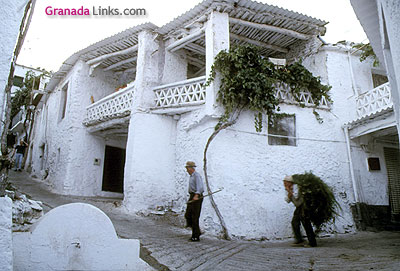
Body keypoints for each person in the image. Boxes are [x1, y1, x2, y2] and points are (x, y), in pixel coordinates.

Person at [283, 175, 317, 247]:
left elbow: (296, 196)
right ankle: (299, 240)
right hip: (298, 207)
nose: (284, 184)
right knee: (295, 222)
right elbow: (287, 200)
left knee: (306, 223)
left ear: (290, 182)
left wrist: (290, 191)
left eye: (286, 183)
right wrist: (289, 191)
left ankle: (312, 242)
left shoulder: (296, 187)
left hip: (304, 206)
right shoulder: (287, 189)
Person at [184, 161, 204, 242]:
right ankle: (197, 231)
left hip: (197, 196)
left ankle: (195, 236)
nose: (186, 170)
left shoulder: (196, 176)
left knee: (195, 216)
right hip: (192, 196)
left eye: (187, 168)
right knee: (188, 215)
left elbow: (200, 187)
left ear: (190, 168)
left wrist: (196, 195)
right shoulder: (191, 176)